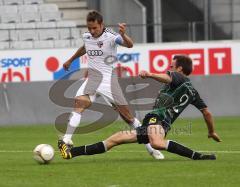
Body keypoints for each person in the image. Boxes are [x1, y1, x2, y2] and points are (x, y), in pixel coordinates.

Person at [60, 55, 222, 160]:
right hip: (157, 123)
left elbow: (166, 78)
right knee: (115, 139)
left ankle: (196, 156)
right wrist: (211, 131)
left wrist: (150, 74)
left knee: (157, 143)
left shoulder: (178, 77)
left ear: (179, 69)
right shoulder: (193, 91)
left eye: (172, 66)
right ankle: (71, 153)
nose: (169, 68)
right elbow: (206, 113)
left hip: (157, 120)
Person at [58, 10, 164, 160]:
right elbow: (85, 47)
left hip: (108, 81)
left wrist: (123, 34)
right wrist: (70, 60)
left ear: (101, 25)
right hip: (93, 79)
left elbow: (129, 45)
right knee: (79, 104)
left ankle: (151, 149)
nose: (92, 31)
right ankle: (66, 140)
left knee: (129, 118)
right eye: (89, 28)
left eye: (95, 28)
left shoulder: (112, 37)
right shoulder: (88, 37)